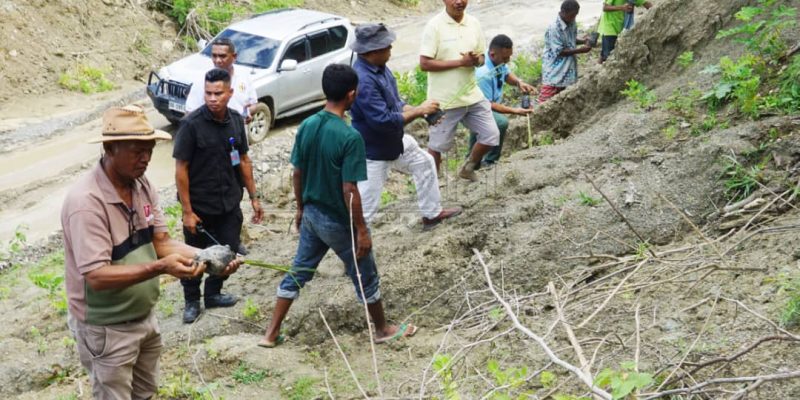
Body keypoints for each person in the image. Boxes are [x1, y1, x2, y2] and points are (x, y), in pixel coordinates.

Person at [62, 105, 242, 399]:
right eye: (136, 150)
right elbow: (96, 276)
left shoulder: (141, 185)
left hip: (143, 316)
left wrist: (206, 257)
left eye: (149, 149)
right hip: (107, 328)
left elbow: (160, 242)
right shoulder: (87, 203)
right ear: (110, 148)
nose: (146, 158)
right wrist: (160, 268)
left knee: (145, 393)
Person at [260, 64, 418, 348]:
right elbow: (350, 189)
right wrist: (361, 230)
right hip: (336, 219)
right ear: (351, 94)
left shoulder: (307, 125)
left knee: (299, 270)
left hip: (311, 213)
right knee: (365, 273)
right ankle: (382, 329)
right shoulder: (350, 137)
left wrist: (300, 209)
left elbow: (297, 172)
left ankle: (270, 334)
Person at [349, 23, 463, 229]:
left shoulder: (381, 69)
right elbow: (382, 122)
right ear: (373, 51)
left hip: (394, 142)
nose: (391, 50)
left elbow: (395, 103)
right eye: (387, 47)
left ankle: (431, 214)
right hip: (372, 152)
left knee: (425, 163)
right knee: (366, 207)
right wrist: (418, 111)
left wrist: (419, 109)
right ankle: (354, 246)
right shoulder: (363, 81)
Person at [174, 68, 264, 323]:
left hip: (229, 205)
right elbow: (181, 169)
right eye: (208, 93)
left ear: (230, 93)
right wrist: (187, 211)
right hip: (200, 209)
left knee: (229, 253)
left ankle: (213, 294)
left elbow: (243, 161)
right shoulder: (191, 126)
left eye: (218, 93)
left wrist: (254, 197)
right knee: (193, 258)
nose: (212, 98)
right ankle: (192, 301)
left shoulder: (236, 120)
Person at [420, 0, 501, 182]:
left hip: (472, 95)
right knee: (437, 147)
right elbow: (424, 64)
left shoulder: (474, 23)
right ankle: (431, 185)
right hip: (444, 100)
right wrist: (460, 63)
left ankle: (468, 168)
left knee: (491, 135)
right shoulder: (434, 26)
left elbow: (481, 57)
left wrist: (476, 60)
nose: (459, 2)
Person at [466, 34, 537, 168]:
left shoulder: (499, 61)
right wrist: (515, 111)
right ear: (493, 55)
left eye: (509, 56)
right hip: (475, 107)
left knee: (481, 130)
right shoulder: (483, 73)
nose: (508, 60)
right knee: (500, 122)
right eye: (505, 58)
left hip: (484, 105)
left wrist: (518, 83)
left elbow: (506, 74)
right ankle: (488, 160)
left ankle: (472, 160)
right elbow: (489, 104)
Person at [185, 38, 258, 122]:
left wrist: (247, 113)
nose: (217, 60)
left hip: (236, 131)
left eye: (222, 56)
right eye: (214, 56)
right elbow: (189, 113)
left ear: (234, 57)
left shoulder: (244, 76)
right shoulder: (202, 80)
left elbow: (254, 103)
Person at [538, 0, 593, 103]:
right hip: (554, 69)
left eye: (575, 15)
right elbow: (559, 51)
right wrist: (580, 50)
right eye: (572, 15)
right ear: (563, 12)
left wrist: (583, 41)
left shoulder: (571, 22)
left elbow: (570, 39)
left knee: (565, 98)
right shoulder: (554, 28)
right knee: (545, 101)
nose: (574, 18)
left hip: (568, 69)